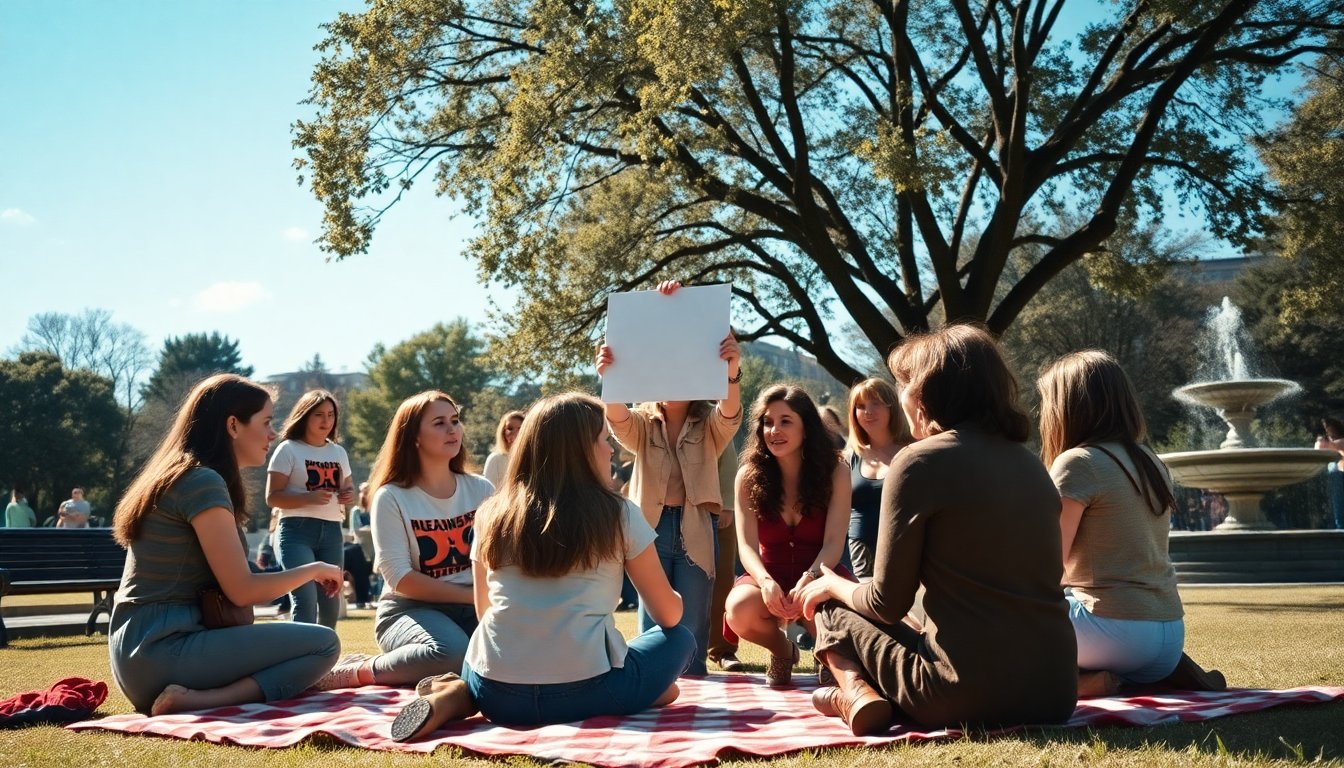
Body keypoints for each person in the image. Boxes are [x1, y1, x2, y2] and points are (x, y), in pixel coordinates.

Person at [798, 324, 1077, 736]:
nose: (902, 397)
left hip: (959, 693)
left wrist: (832, 584)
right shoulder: (1031, 465)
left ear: (929, 392)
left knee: (830, 607)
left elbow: (885, 603)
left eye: (904, 384)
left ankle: (855, 693)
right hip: (1054, 692)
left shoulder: (917, 462)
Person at [395, 392, 691, 738]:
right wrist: (678, 599)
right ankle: (639, 692)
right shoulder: (619, 513)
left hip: (497, 694)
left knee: (487, 654)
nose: (610, 450)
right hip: (587, 690)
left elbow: (484, 611)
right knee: (680, 639)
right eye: (603, 440)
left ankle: (458, 695)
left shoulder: (491, 514)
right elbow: (668, 616)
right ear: (579, 450)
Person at [107, 374, 342, 715]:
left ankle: (194, 695)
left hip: (138, 654)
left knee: (304, 641)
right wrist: (314, 570)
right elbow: (242, 591)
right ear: (233, 425)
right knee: (324, 644)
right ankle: (202, 700)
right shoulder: (202, 481)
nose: (273, 434)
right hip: (162, 652)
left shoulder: (182, 475)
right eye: (266, 422)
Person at [1038, 350, 1225, 696]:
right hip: (1169, 637)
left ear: (1065, 408)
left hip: (1112, 633)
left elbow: (1047, 565)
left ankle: (1081, 682)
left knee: (997, 616)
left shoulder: (1077, 462)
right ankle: (1164, 674)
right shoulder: (1151, 462)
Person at [595, 281, 742, 677]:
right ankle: (652, 685)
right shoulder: (643, 424)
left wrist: (731, 371)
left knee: (692, 624)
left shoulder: (708, 424)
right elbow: (617, 420)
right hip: (649, 529)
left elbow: (730, 415)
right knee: (653, 623)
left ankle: (694, 685)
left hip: (696, 528)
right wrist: (611, 376)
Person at [313, 391, 493, 692]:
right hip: (410, 610)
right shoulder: (391, 497)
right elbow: (400, 578)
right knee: (451, 653)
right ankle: (356, 670)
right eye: (439, 423)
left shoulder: (483, 490)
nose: (452, 429)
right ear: (414, 438)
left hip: (476, 606)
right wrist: (472, 596)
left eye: (455, 420)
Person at [726, 385, 850, 687]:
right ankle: (783, 651)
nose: (774, 431)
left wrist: (809, 581)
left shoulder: (837, 471)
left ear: (806, 427)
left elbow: (834, 543)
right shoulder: (747, 476)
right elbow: (746, 546)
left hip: (821, 574)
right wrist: (766, 582)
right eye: (768, 422)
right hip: (768, 575)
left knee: (837, 619)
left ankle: (826, 653)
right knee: (738, 608)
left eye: (785, 421)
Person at [265, 390, 356, 629]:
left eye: (331, 414)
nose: (326, 421)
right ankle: (302, 652)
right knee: (305, 599)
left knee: (330, 602)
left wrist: (349, 494)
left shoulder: (338, 452)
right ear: (304, 416)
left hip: (332, 531)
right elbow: (272, 497)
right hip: (296, 531)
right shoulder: (288, 449)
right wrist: (309, 498)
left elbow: (349, 488)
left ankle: (326, 652)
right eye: (319, 415)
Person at [843, 379, 911, 580]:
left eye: (876, 403)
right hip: (861, 552)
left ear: (892, 407)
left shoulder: (913, 451)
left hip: (904, 549)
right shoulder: (849, 457)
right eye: (860, 406)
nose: (868, 412)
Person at [706, 444, 744, 671]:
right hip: (669, 509)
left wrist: (728, 504)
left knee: (722, 581)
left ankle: (723, 648)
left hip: (716, 509)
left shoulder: (711, 420)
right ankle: (677, 651)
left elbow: (728, 461)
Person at [481, 411, 525, 489]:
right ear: (503, 433)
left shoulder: (533, 458)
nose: (515, 433)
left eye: (520, 428)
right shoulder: (495, 459)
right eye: (510, 429)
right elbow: (486, 491)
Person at [1314, 417, 1344, 530]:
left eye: (1329, 430)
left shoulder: (1339, 443)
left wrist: (1323, 443)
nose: (1328, 433)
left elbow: (1325, 446)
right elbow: (1319, 448)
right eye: (1326, 431)